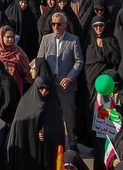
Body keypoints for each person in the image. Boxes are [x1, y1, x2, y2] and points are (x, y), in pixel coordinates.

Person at [36, 9, 83, 146]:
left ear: (65, 25)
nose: (55, 27)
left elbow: (79, 61)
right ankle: (52, 141)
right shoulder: (46, 39)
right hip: (49, 84)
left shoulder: (73, 40)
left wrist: (70, 78)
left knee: (69, 115)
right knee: (48, 113)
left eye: (58, 24)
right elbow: (40, 59)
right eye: (53, 24)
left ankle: (72, 142)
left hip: (66, 85)